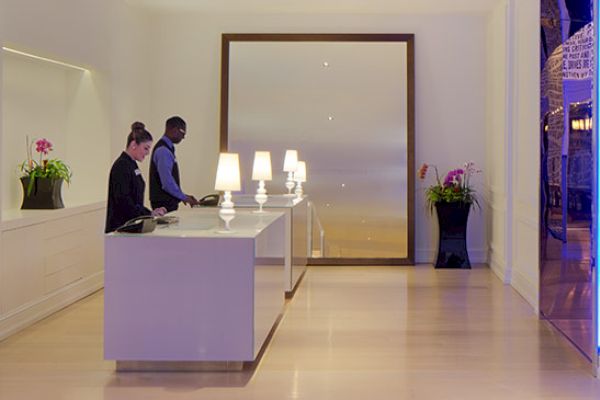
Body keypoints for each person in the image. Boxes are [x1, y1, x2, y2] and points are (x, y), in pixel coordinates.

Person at [105, 122, 166, 233]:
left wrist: (150, 213)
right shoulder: (121, 166)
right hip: (120, 228)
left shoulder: (131, 164)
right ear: (134, 145)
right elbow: (124, 201)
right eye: (146, 148)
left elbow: (134, 201)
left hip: (131, 225)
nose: (147, 153)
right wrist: (149, 214)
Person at [149, 116, 199, 212]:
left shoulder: (167, 148)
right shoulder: (163, 151)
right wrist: (184, 197)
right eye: (183, 132)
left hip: (166, 203)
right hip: (163, 205)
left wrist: (183, 196)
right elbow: (167, 182)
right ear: (174, 129)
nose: (183, 137)